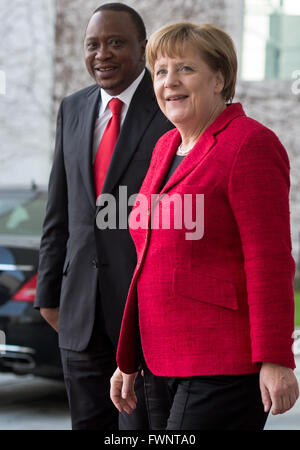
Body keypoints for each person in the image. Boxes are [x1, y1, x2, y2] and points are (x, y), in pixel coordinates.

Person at [110, 22, 299, 430]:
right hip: (152, 360)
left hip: (220, 362)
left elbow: (269, 261)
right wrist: (128, 360)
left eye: (185, 69)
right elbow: (149, 259)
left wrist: (277, 358)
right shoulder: (166, 146)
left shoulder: (250, 143)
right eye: (160, 71)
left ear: (219, 78)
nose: (170, 82)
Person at [34, 3, 173, 430]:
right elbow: (59, 208)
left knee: (140, 431)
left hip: (143, 310)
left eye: (116, 43)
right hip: (78, 310)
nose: (102, 54)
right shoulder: (73, 108)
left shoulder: (170, 104)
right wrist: (48, 294)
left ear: (143, 48)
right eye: (93, 44)